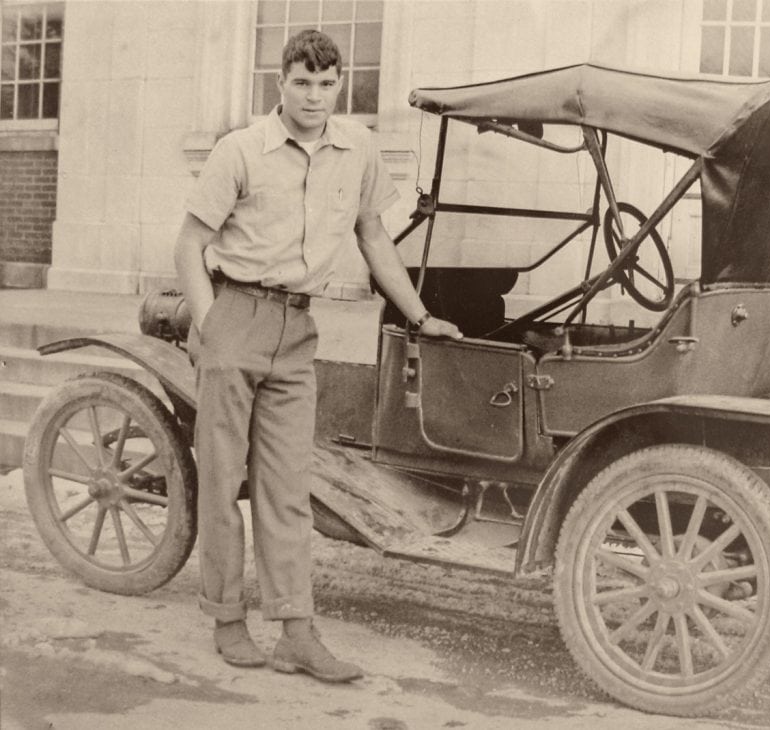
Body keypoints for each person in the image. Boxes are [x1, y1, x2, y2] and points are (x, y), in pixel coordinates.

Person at [173, 29, 462, 683]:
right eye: (301, 82)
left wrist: (419, 315)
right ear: (281, 84)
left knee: (287, 490)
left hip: (299, 331)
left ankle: (297, 634)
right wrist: (212, 322)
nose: (314, 95)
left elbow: (373, 235)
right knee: (222, 481)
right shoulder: (241, 150)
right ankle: (226, 619)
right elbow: (189, 245)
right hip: (236, 317)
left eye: (326, 83)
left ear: (341, 84)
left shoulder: (357, 148)